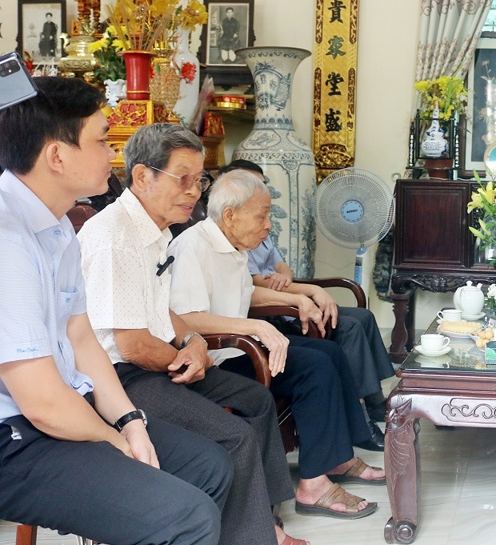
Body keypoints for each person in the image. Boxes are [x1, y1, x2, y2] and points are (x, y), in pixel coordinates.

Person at [0, 77, 232, 545]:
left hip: (66, 407)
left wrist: (130, 421)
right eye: (103, 140)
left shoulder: (57, 225)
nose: (112, 155)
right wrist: (116, 443)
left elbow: (82, 339)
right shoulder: (9, 241)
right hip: (15, 437)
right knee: (188, 517)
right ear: (56, 156)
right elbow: (42, 404)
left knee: (209, 466)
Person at [77, 123, 309, 545]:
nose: (194, 191)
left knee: (255, 399)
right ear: (143, 176)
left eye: (199, 180)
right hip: (117, 377)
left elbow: (159, 307)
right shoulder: (116, 236)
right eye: (182, 179)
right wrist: (187, 358)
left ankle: (264, 519)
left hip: (154, 359)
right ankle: (254, 537)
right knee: (235, 438)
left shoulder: (155, 230)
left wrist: (195, 342)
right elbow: (129, 343)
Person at [168, 170, 386, 520]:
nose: (269, 224)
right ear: (230, 215)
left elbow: (244, 294)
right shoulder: (193, 246)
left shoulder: (232, 245)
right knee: (314, 368)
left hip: (239, 346)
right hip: (216, 358)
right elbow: (186, 318)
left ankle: (338, 456)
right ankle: (313, 485)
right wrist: (254, 327)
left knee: (329, 351)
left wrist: (300, 297)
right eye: (262, 215)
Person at [220, 159, 394, 432]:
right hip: (273, 311)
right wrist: (309, 292)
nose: (260, 192)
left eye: (261, 185)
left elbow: (282, 269)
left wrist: (289, 280)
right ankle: (363, 413)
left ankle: (373, 400)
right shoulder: (233, 240)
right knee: (346, 328)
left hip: (283, 298)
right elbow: (257, 286)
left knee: (364, 317)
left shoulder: (260, 234)